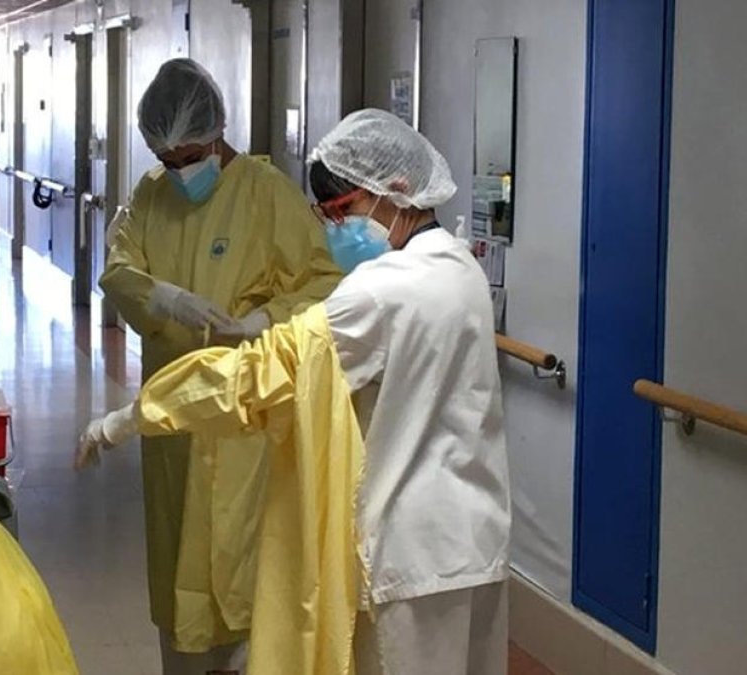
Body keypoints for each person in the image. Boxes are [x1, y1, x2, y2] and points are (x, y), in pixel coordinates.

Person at [82, 108, 510, 674]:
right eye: (326, 215)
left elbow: (257, 377)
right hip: (476, 543)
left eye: (342, 211)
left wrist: (132, 417)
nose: (334, 229)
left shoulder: (382, 292)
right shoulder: (459, 267)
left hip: (408, 554)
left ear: (397, 191)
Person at [96, 58, 342, 673]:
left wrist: (264, 320)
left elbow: (321, 285)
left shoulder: (268, 194)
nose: (181, 171)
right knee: (178, 554)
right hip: (175, 416)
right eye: (169, 159)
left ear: (217, 133)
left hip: (247, 418)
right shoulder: (150, 195)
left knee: (243, 557)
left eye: (191, 155)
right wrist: (163, 296)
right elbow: (118, 269)